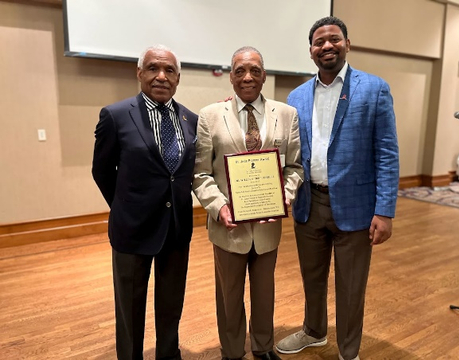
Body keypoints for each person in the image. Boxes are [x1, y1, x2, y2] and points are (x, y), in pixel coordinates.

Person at [275, 16, 399, 360]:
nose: (326, 46)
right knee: (311, 278)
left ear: (347, 44)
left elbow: (387, 152)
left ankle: (349, 352)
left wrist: (384, 211)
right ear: (311, 52)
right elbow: (285, 146)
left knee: (351, 286)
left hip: (357, 207)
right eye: (319, 42)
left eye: (333, 39)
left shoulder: (374, 89)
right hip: (308, 203)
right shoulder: (296, 95)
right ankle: (314, 332)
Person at [193, 46, 303, 360]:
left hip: (268, 225)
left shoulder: (286, 114)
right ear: (231, 76)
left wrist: (284, 197)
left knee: (264, 292)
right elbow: (201, 173)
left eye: (255, 70)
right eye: (240, 70)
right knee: (229, 295)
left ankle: (263, 346)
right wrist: (219, 206)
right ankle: (231, 351)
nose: (248, 77)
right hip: (228, 226)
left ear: (264, 75)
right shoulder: (210, 116)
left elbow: (295, 168)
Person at [92, 44, 198, 360]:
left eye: (169, 71)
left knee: (171, 304)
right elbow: (101, 171)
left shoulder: (190, 119)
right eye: (153, 68)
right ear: (139, 73)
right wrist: (126, 207)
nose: (161, 76)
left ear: (178, 78)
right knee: (130, 307)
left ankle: (168, 353)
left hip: (177, 230)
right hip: (132, 231)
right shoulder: (115, 116)